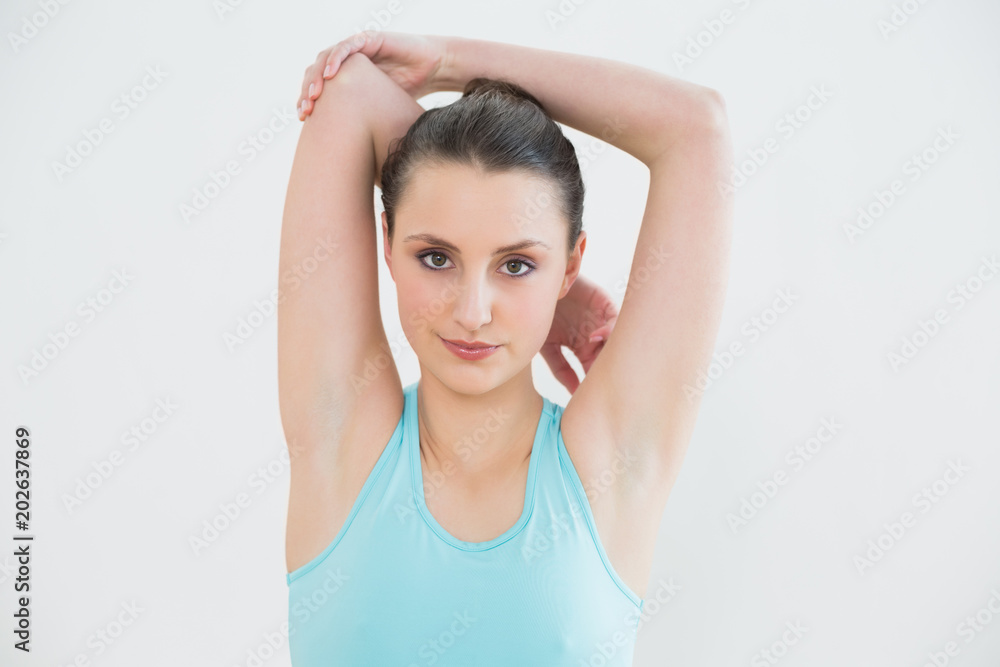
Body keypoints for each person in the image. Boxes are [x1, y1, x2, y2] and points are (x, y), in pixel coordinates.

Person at [278, 30, 732, 666]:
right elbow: (349, 93)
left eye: (514, 265)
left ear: (572, 263)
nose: (472, 311)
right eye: (436, 257)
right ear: (387, 240)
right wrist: (531, 279)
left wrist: (449, 65)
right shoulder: (342, 438)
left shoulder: (611, 464)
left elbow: (696, 126)